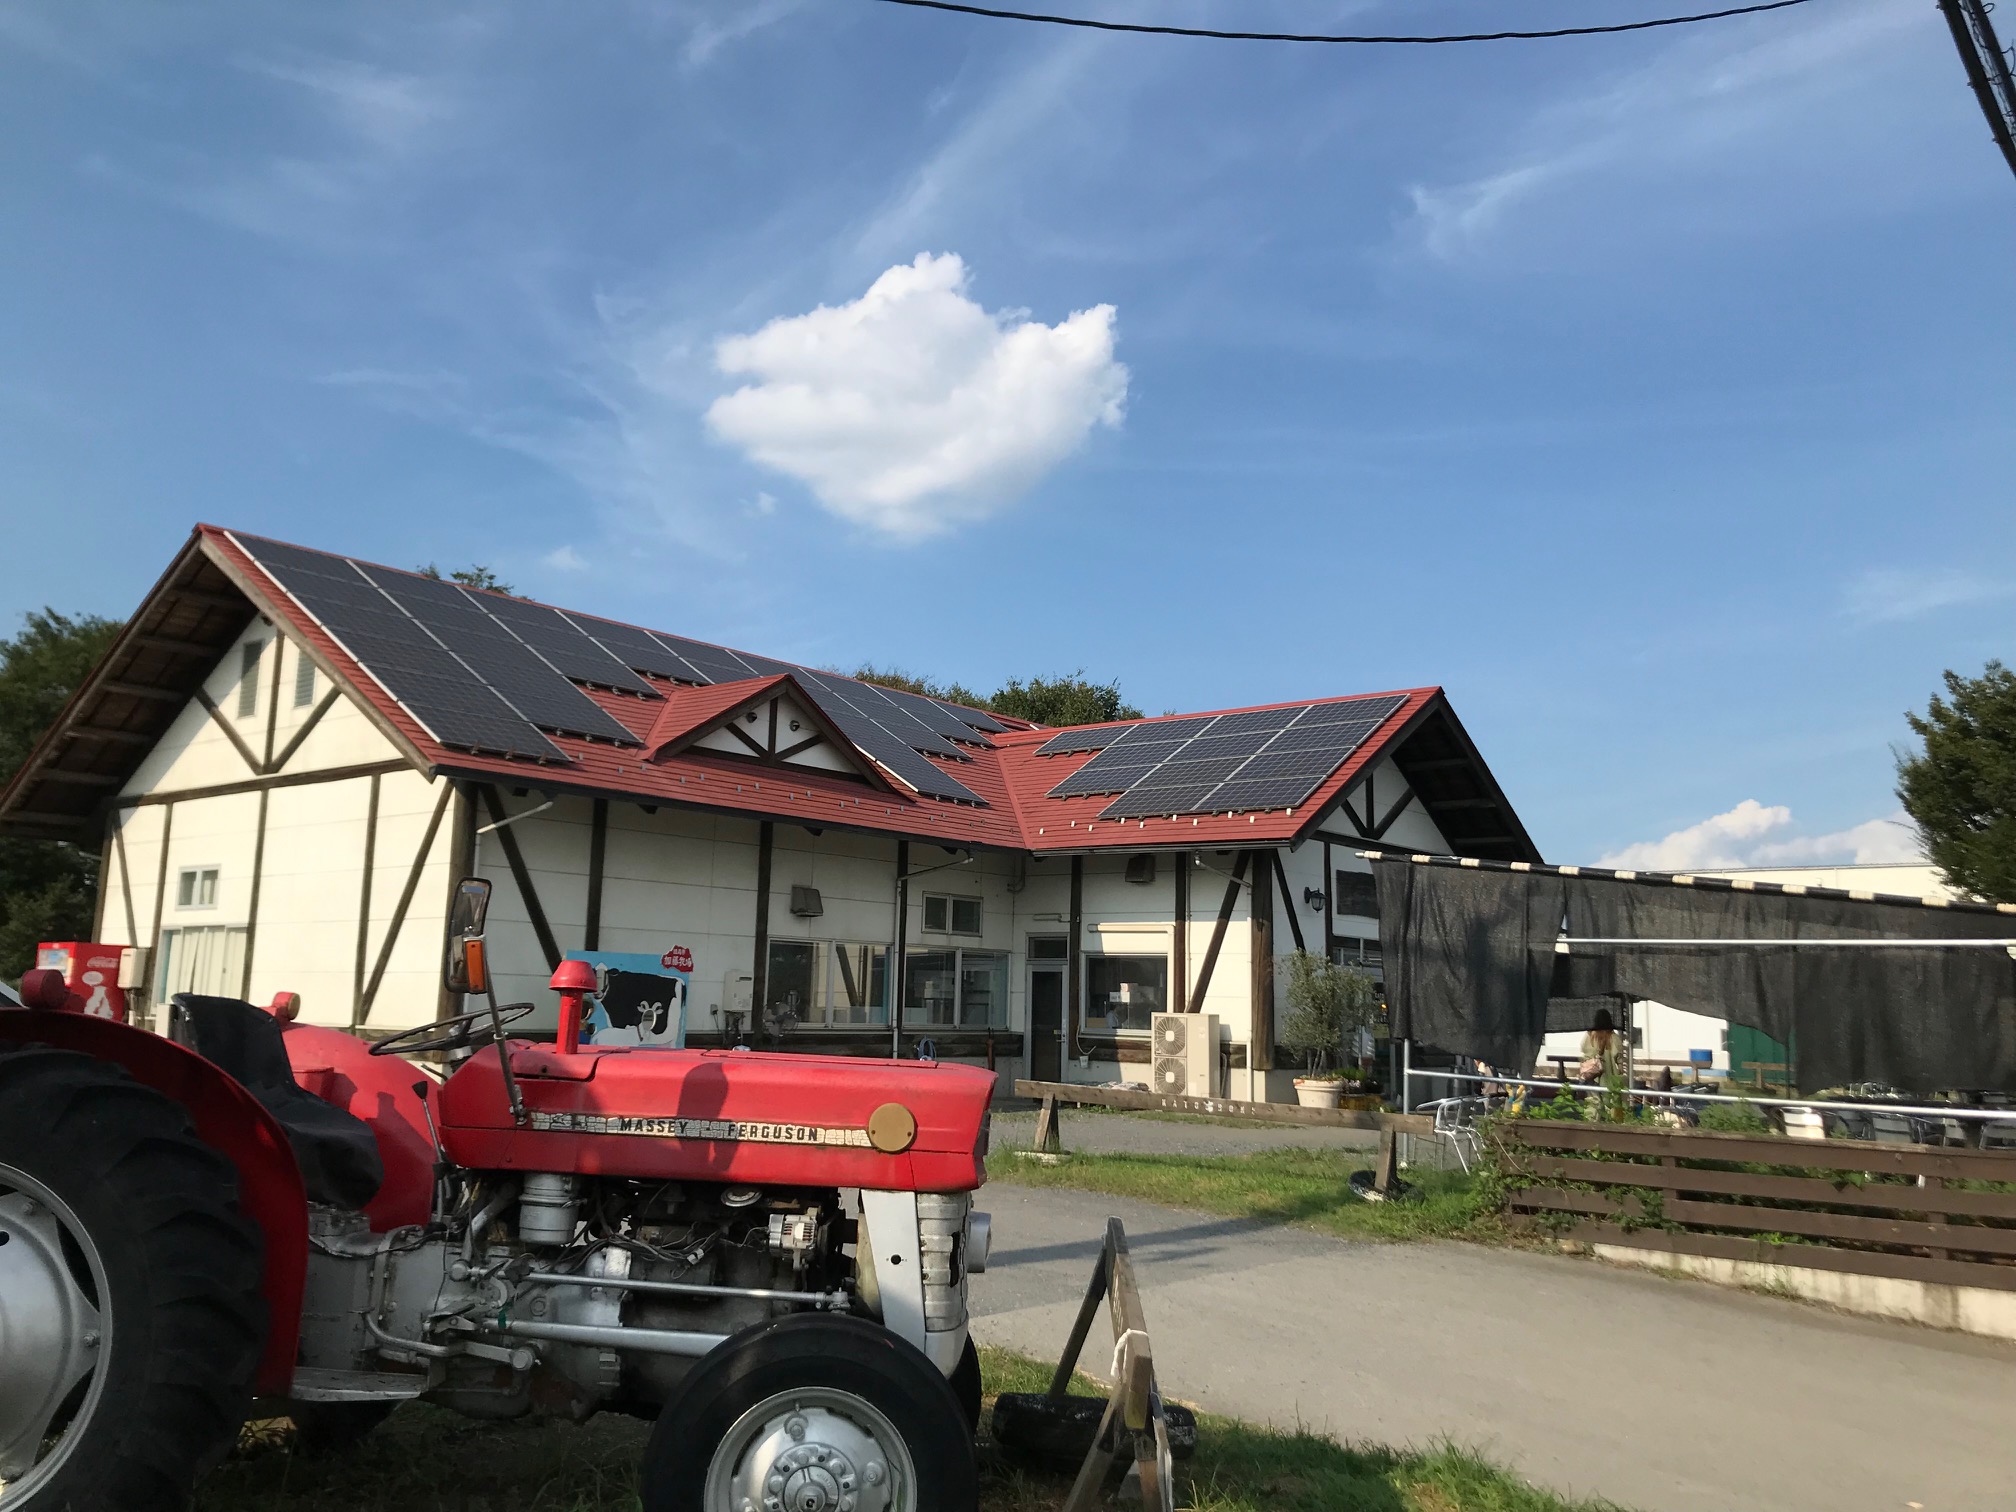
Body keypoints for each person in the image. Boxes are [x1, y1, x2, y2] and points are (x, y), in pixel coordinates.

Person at [1577, 1007, 1624, 1083]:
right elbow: (1618, 1056)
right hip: (1609, 1077)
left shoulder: (1589, 1035)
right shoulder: (1614, 1037)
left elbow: (1583, 1050)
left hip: (1591, 1076)